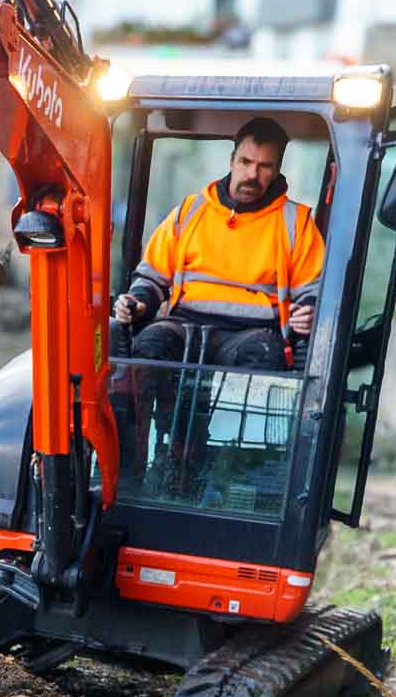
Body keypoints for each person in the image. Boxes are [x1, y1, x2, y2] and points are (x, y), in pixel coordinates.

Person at [109, 117, 325, 495]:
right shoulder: (189, 212)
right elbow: (152, 277)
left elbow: (312, 287)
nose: (252, 174)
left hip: (251, 332)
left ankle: (232, 470)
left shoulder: (297, 223)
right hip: (184, 323)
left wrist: (309, 310)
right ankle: (139, 468)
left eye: (264, 166)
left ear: (277, 169)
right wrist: (138, 303)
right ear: (231, 160)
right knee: (149, 350)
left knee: (263, 356)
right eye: (245, 162)